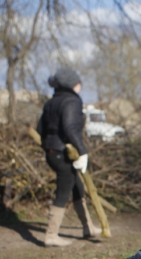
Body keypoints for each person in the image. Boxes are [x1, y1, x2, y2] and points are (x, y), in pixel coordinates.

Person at [36, 68, 98, 247]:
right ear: (72, 84)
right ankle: (51, 235)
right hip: (64, 153)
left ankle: (88, 227)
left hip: (52, 152)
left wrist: (48, 145)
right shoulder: (72, 101)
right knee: (63, 192)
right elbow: (70, 127)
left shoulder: (51, 102)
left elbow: (40, 129)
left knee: (77, 187)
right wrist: (82, 151)